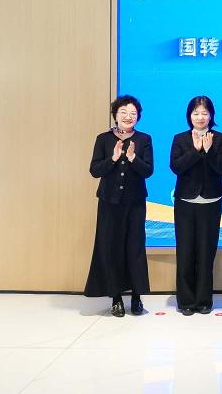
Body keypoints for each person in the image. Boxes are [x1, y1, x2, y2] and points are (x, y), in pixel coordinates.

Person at [85, 95, 153, 317]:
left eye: (133, 113)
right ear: (115, 114)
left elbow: (148, 171)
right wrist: (113, 159)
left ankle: (136, 297)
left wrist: (133, 158)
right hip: (109, 203)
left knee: (135, 248)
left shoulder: (144, 139)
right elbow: (95, 170)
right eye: (123, 112)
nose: (128, 116)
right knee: (111, 247)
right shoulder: (103, 139)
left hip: (135, 203)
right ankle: (115, 298)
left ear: (138, 117)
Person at [170, 96, 222, 315]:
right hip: (185, 202)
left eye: (205, 113)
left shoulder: (220, 138)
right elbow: (176, 167)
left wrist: (209, 150)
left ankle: (204, 299)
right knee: (185, 251)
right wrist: (195, 151)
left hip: (211, 201)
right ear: (189, 116)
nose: (200, 117)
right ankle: (186, 301)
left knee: (206, 252)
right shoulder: (180, 139)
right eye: (196, 113)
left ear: (211, 115)